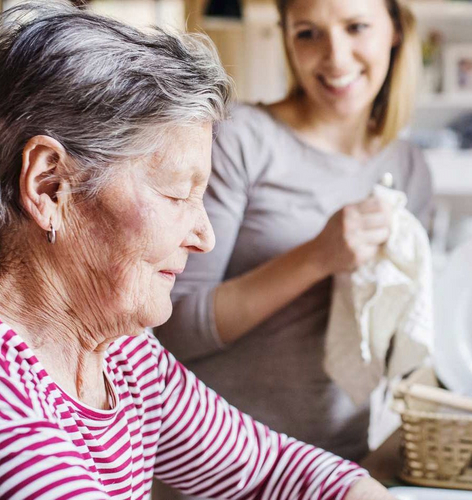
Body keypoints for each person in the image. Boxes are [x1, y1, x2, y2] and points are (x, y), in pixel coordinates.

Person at [0, 1, 397, 499]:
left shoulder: (125, 356)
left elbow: (270, 469)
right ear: (49, 186)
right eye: (176, 194)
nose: (204, 236)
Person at [155, 0, 433, 496]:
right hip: (222, 475)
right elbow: (173, 329)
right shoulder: (239, 138)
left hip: (343, 469)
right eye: (308, 33)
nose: (336, 57)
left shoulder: (410, 166)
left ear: (395, 29)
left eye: (356, 27)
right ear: (285, 37)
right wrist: (316, 257)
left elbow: (404, 329)